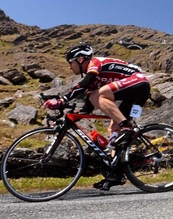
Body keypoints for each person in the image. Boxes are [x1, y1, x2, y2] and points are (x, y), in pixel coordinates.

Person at [44, 44, 151, 190]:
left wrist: (62, 100)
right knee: (114, 130)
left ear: (81, 59)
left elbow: (84, 84)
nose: (70, 67)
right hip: (134, 92)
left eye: (71, 63)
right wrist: (71, 116)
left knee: (98, 95)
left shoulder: (94, 63)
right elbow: (88, 106)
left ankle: (127, 126)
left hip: (139, 81)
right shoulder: (95, 81)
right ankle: (115, 174)